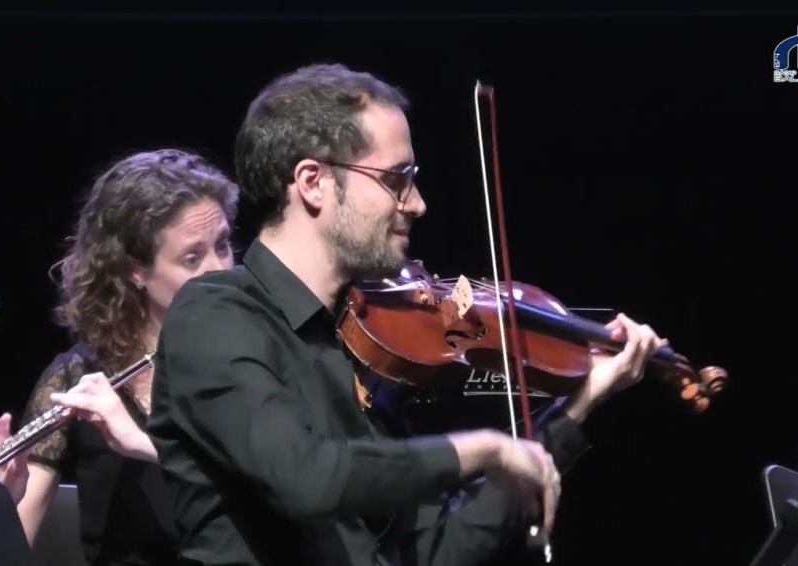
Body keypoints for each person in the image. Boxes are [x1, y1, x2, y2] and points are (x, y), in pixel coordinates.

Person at [146, 63, 668, 566]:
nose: (417, 203)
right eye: (398, 179)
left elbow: (439, 550)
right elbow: (305, 478)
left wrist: (574, 411)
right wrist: (482, 449)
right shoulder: (213, 314)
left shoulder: (371, 346)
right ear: (312, 182)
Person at [0, 148, 239, 565]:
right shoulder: (75, 379)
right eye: (192, 258)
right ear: (136, 271)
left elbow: (275, 504)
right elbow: (7, 553)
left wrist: (144, 445)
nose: (221, 271)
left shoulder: (257, 362)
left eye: (223, 245)